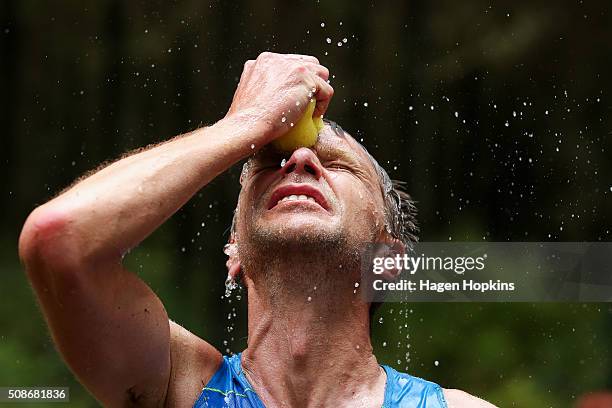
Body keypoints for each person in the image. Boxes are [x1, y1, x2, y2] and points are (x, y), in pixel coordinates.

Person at [19, 52, 495, 407]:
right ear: (235, 253)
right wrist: (247, 122)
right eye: (269, 163)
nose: (302, 157)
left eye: (337, 165)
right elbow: (61, 240)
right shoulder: (180, 388)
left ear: (388, 260)